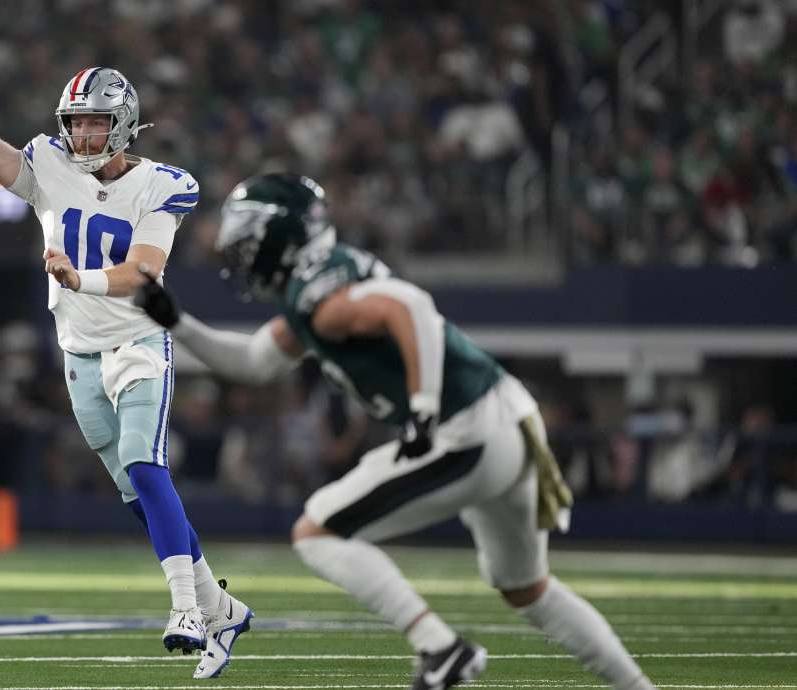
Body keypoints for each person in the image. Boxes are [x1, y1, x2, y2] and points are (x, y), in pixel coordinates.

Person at [133, 173, 657, 690]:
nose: (242, 259)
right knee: (529, 589)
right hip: (509, 420)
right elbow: (253, 361)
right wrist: (176, 321)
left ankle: (439, 646)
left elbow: (412, 309)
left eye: (248, 245)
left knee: (317, 533)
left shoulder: (323, 295)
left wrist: (424, 409)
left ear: (280, 238)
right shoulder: (320, 287)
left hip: (467, 428)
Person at [0, 41, 251, 677]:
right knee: (137, 492)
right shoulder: (48, 164)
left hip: (136, 342)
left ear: (124, 122)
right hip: (78, 352)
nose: (81, 133)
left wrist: (79, 280)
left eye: (95, 120)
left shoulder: (161, 185)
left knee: (144, 462)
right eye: (74, 121)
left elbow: (144, 273)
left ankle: (186, 607)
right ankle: (221, 606)